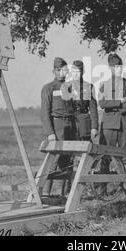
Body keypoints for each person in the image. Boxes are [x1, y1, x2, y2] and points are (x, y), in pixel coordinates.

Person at [40, 57, 76, 197]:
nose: (61, 73)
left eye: (64, 70)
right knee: (53, 160)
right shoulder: (48, 88)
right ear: (53, 71)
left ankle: (63, 194)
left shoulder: (69, 87)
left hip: (69, 127)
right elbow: (44, 113)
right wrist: (50, 132)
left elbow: (73, 109)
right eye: (58, 70)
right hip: (57, 126)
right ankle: (46, 193)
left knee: (67, 161)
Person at [98, 53, 126, 175]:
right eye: (115, 67)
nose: (118, 69)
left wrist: (115, 106)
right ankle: (102, 191)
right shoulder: (104, 84)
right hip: (109, 126)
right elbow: (102, 103)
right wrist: (120, 102)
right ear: (110, 68)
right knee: (105, 157)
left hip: (125, 125)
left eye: (120, 66)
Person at [63, 60, 99, 141]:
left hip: (84, 121)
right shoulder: (66, 87)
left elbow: (93, 109)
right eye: (74, 72)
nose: (75, 74)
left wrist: (94, 127)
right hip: (71, 122)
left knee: (85, 147)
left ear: (83, 72)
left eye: (78, 71)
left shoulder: (89, 87)